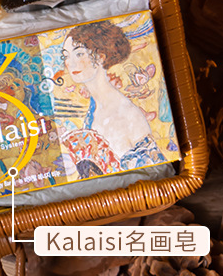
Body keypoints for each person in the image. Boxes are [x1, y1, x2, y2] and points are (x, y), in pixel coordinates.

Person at [60, 20, 166, 176]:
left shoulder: (127, 113)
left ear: (101, 56)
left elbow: (153, 173)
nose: (71, 63)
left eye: (79, 54)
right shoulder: (94, 109)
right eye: (66, 56)